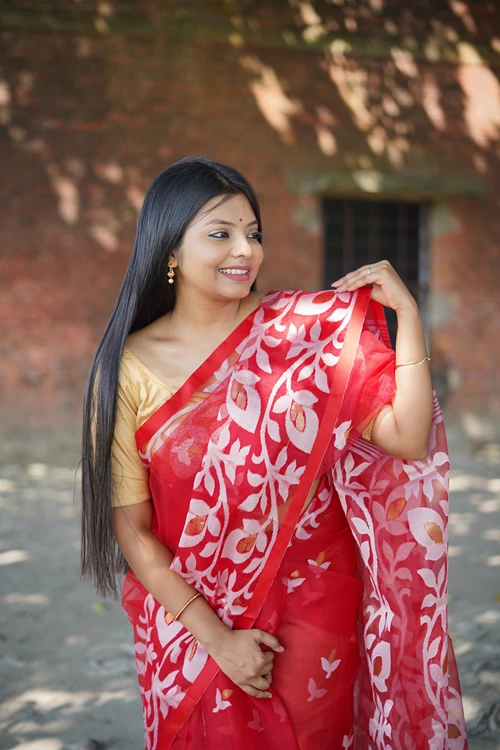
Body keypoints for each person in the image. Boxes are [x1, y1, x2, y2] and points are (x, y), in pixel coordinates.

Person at [81, 156, 467, 750]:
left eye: (253, 233)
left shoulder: (302, 334)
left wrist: (408, 318)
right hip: (190, 620)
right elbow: (132, 530)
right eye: (221, 233)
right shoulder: (126, 368)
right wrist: (217, 639)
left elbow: (407, 437)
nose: (246, 250)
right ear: (170, 249)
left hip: (312, 603)